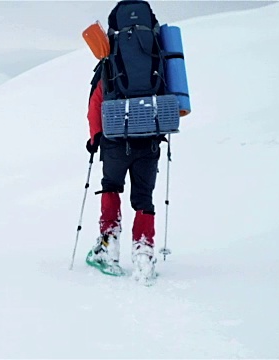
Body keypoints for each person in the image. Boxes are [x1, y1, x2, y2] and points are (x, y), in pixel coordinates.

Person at [84, 1, 164, 283]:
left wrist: (95, 139)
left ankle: (109, 245)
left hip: (115, 140)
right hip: (150, 141)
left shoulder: (109, 61)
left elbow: (96, 103)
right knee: (144, 198)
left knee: (111, 186)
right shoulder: (157, 56)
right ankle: (144, 254)